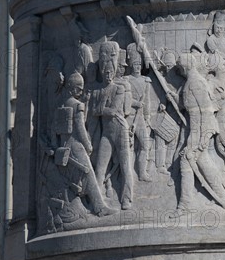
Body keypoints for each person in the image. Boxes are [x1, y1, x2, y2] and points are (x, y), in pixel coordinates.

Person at [52, 72, 118, 216]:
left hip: (64, 145)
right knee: (89, 174)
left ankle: (86, 205)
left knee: (76, 176)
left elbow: (54, 129)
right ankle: (99, 208)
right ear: (72, 88)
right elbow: (80, 128)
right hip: (76, 145)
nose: (81, 92)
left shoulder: (60, 105)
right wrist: (88, 145)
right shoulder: (77, 106)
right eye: (79, 89)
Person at [176, 53, 225, 211]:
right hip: (196, 129)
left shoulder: (195, 83)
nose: (179, 72)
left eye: (180, 69)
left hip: (200, 129)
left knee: (186, 159)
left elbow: (206, 111)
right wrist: (173, 97)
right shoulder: (191, 82)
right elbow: (186, 105)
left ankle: (186, 204)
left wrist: (203, 137)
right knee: (203, 161)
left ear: (186, 67)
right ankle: (222, 195)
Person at [88, 41, 135, 209]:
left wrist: (100, 109)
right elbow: (94, 113)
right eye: (105, 72)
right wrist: (101, 110)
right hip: (107, 133)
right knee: (100, 168)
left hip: (120, 129)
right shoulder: (97, 91)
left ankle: (126, 199)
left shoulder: (119, 89)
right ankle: (98, 202)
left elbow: (114, 110)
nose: (108, 74)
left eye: (110, 72)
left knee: (125, 166)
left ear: (114, 72)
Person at [125, 43, 153, 182]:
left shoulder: (146, 80)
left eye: (139, 64)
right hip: (129, 117)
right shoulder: (126, 80)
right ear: (131, 64)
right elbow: (124, 100)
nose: (137, 67)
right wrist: (136, 103)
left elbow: (147, 101)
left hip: (141, 117)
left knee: (145, 144)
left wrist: (147, 117)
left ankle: (142, 173)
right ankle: (127, 173)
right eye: (135, 64)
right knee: (127, 146)